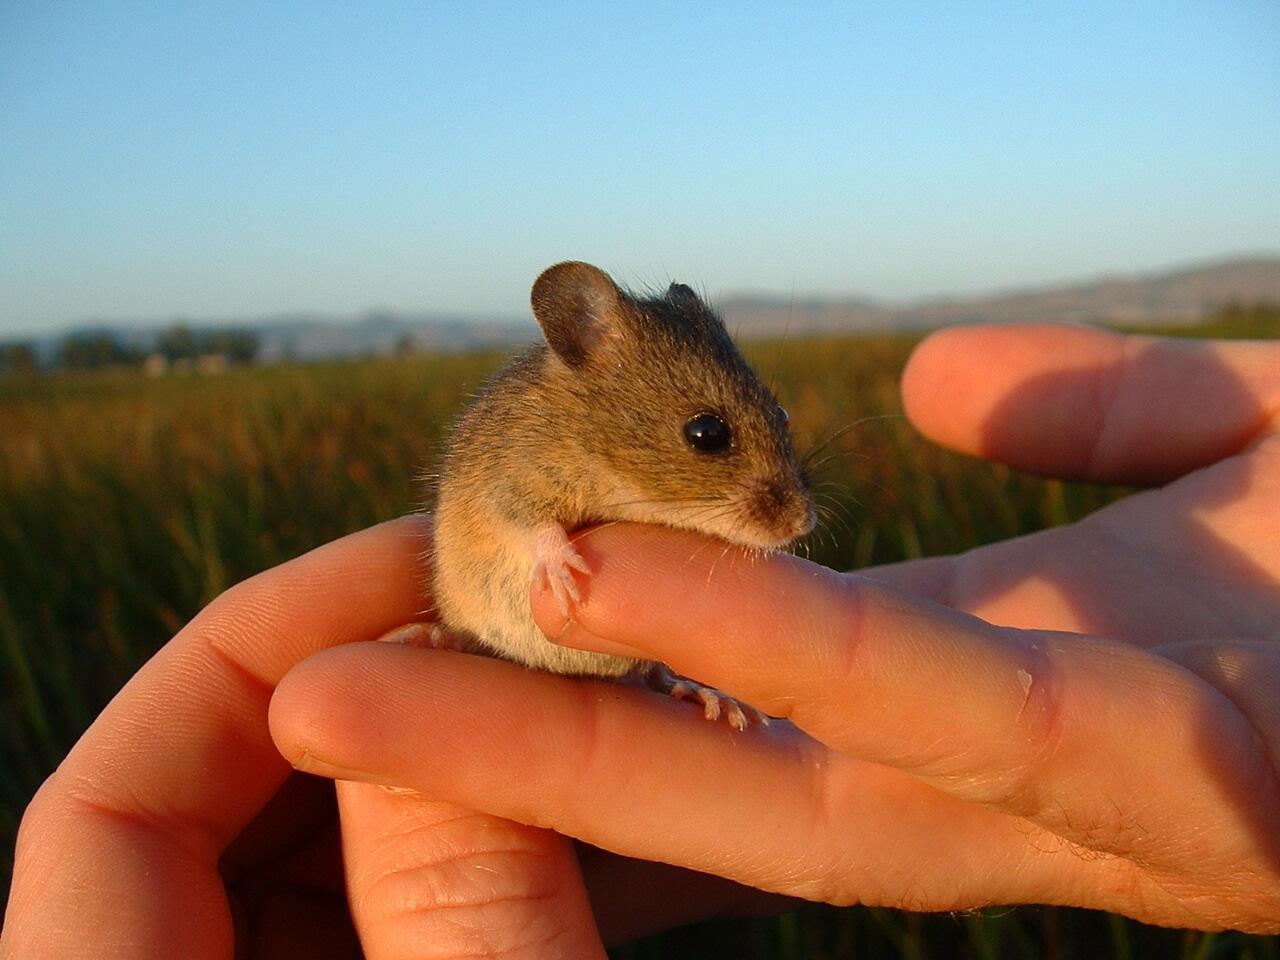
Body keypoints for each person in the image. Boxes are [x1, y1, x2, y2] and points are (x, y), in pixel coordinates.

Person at [2, 323, 1277, 959]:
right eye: (716, 445)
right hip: (493, 611)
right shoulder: (533, 433)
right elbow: (491, 491)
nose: (778, 499)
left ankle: (664, 673)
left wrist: (669, 653)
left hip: (610, 663)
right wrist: (543, 545)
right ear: (587, 354)